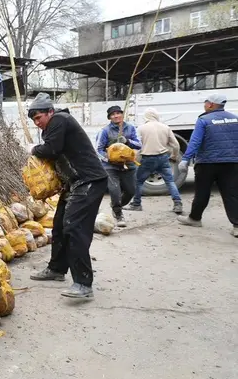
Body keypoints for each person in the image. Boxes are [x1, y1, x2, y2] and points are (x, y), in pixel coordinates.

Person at [27, 93, 108, 299]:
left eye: (39, 118)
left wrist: (33, 149)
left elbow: (51, 149)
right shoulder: (56, 123)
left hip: (89, 181)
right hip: (74, 184)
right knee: (60, 225)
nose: (37, 123)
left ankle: (83, 283)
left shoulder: (60, 120)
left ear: (50, 112)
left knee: (74, 227)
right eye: (34, 120)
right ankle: (56, 269)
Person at [176, 93, 238, 236]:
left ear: (210, 104)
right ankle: (237, 225)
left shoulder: (204, 119)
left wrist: (185, 159)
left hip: (207, 163)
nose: (204, 105)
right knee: (232, 193)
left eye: (205, 102)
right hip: (231, 163)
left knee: (202, 192)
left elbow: (195, 141)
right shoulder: (235, 119)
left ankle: (195, 219)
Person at [125, 108, 183, 213]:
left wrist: (134, 160)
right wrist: (174, 156)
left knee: (139, 182)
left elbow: (138, 147)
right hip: (163, 158)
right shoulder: (165, 127)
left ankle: (136, 204)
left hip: (147, 159)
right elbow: (176, 144)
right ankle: (177, 204)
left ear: (145, 117)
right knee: (170, 181)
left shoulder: (141, 128)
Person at [96, 105, 141, 227]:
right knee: (114, 190)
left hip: (128, 164)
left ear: (122, 114)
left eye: (118, 113)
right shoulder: (105, 131)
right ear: (110, 117)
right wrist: (108, 158)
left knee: (131, 191)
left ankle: (117, 205)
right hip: (110, 166)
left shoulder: (130, 128)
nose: (116, 116)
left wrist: (128, 141)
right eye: (112, 114)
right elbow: (98, 149)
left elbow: (139, 144)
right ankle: (118, 213)